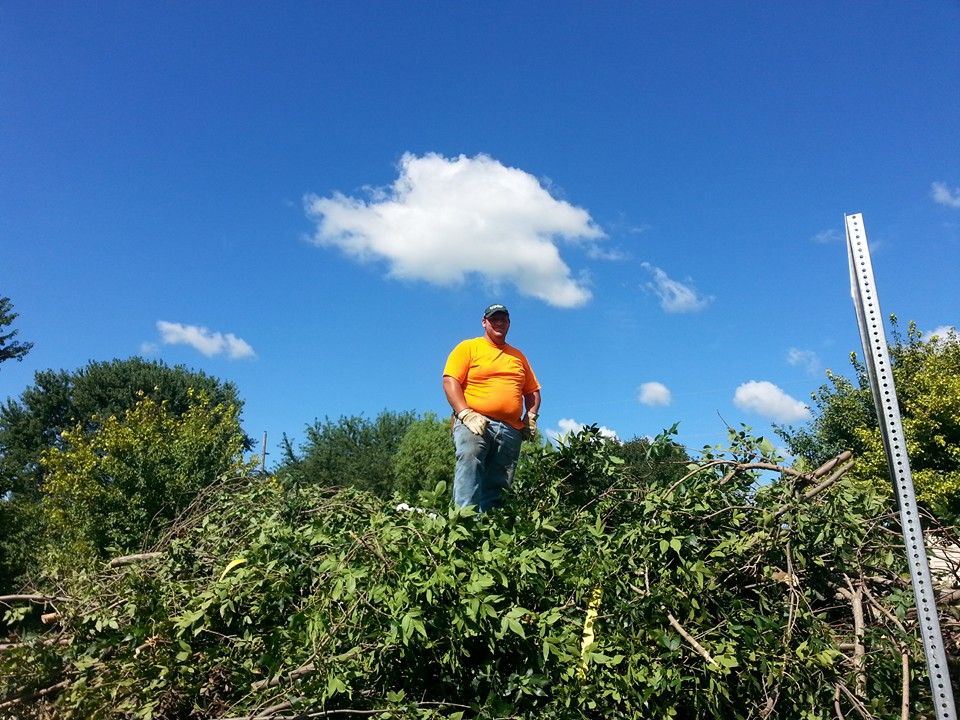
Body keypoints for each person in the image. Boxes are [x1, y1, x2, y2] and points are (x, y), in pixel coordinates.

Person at [442, 303, 541, 511]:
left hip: (510, 430)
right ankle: (464, 524)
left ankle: (492, 532)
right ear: (484, 322)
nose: (499, 322)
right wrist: (465, 413)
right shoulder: (468, 347)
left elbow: (532, 391)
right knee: (470, 461)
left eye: (503, 319)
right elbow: (450, 381)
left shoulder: (518, 356)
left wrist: (530, 416)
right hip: (475, 421)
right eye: (494, 319)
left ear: (509, 324)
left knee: (500, 483)